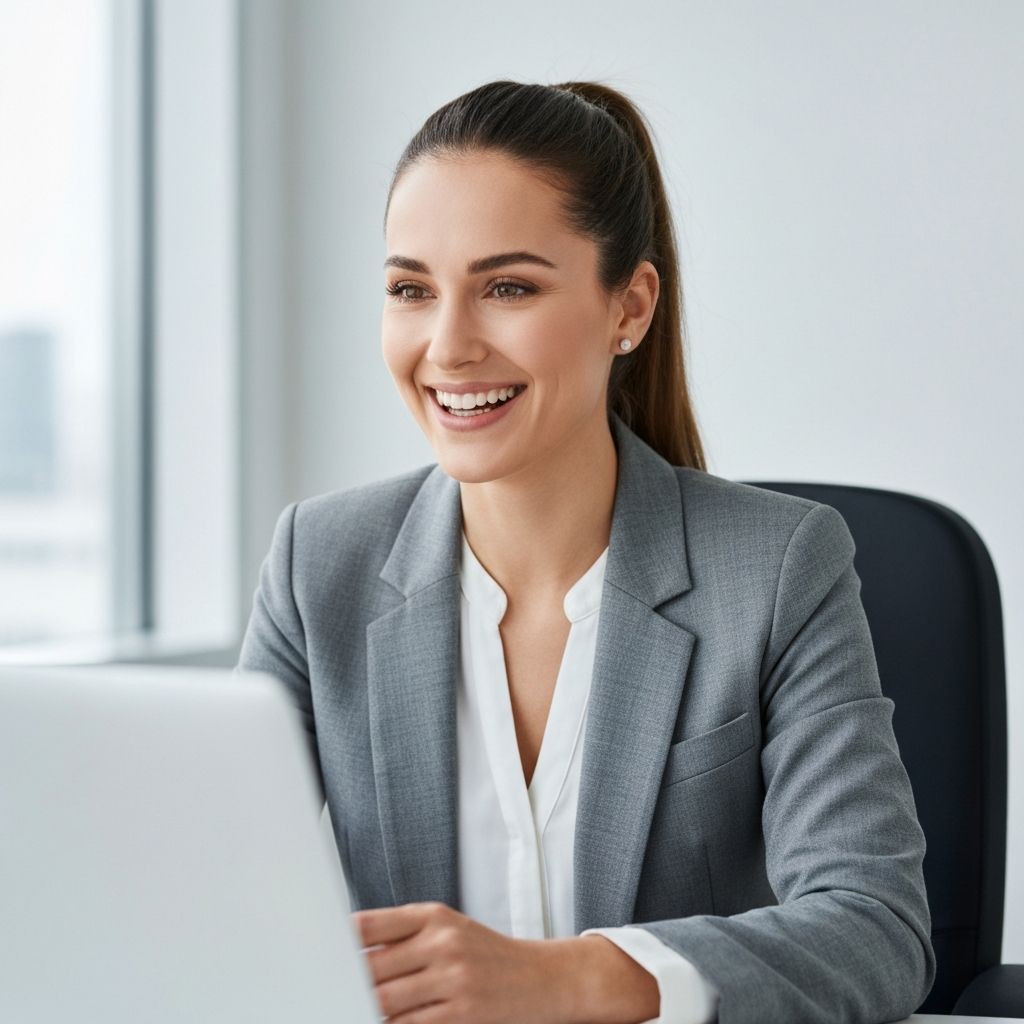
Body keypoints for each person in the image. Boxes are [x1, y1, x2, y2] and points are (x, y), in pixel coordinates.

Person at [237, 79, 935, 1024]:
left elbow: (876, 930)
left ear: (629, 308)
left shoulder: (778, 569)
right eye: (411, 289)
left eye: (508, 288)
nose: (447, 346)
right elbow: (204, 895)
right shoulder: (316, 565)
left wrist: (571, 979)